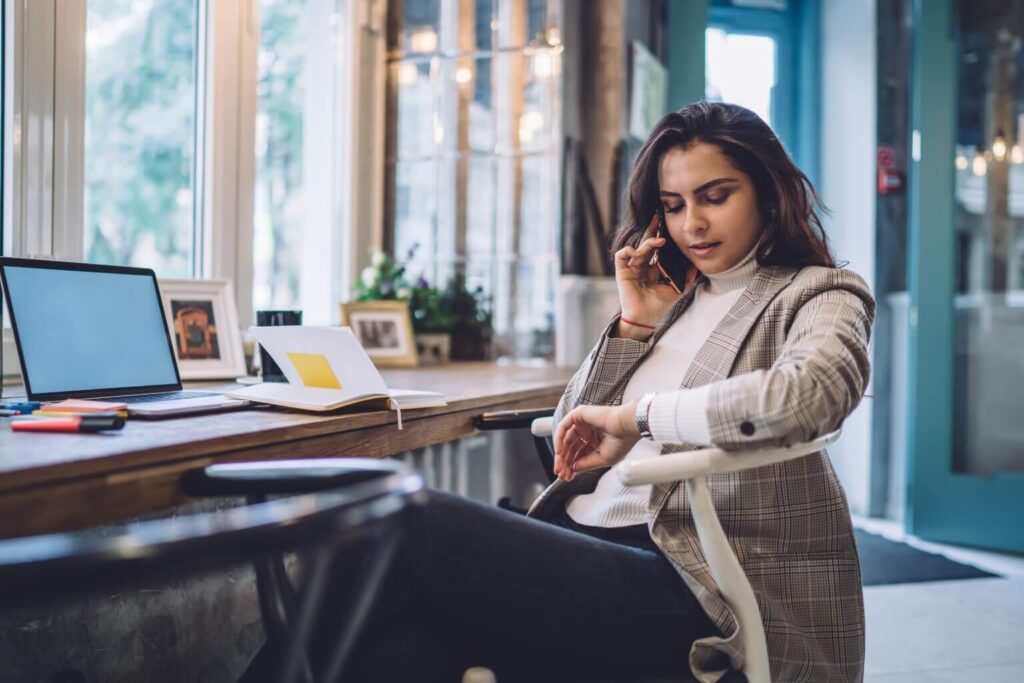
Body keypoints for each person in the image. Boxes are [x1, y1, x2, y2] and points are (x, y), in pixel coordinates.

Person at [325, 102, 873, 683]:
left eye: (716, 196)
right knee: (397, 641)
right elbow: (572, 427)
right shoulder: (674, 301)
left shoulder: (819, 293)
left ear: (768, 191)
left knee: (397, 517)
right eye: (673, 206)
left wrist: (640, 418)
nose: (693, 225)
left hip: (690, 580)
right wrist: (635, 325)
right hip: (581, 540)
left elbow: (807, 395)